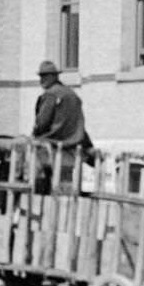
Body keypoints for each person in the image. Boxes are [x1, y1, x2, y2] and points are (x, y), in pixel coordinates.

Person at [31, 60, 90, 192]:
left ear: (54, 76)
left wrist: (34, 134)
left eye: (45, 76)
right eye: (41, 76)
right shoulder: (72, 94)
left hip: (52, 144)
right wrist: (88, 146)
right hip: (73, 146)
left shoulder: (50, 94)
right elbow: (79, 123)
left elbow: (42, 123)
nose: (42, 80)